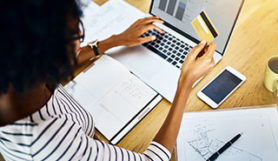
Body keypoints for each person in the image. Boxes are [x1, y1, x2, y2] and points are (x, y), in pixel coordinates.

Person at [0, 0, 216, 160]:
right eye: (76, 35)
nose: (79, 40)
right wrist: (184, 84)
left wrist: (115, 40)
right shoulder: (50, 145)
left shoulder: (14, 72)